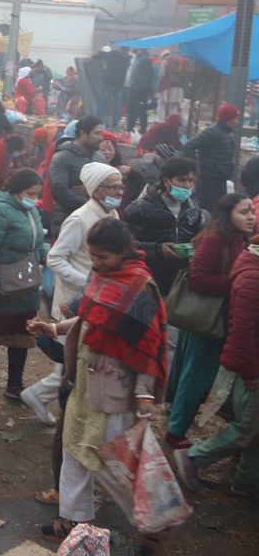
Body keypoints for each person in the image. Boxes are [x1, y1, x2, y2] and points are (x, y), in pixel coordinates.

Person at [45, 219, 177, 555]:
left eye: (102, 257)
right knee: (74, 451)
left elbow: (151, 344)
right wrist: (55, 328)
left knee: (110, 463)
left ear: (122, 252)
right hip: (86, 380)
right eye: (92, 256)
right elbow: (90, 318)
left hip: (117, 387)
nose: (96, 263)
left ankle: (153, 529)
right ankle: (74, 526)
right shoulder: (103, 275)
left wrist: (144, 393)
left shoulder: (141, 285)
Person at [29, 163, 123, 426]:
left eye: (120, 186)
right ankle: (44, 398)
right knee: (72, 358)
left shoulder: (112, 215)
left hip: (99, 297)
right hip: (75, 299)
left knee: (73, 360)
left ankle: (38, 395)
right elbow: (55, 259)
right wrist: (87, 282)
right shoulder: (79, 218)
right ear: (97, 191)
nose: (119, 191)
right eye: (113, 187)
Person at [166, 193, 253, 450]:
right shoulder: (215, 241)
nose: (251, 217)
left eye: (251, 212)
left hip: (225, 319)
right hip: (209, 323)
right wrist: (240, 283)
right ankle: (175, 431)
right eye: (243, 213)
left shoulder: (239, 240)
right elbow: (198, 279)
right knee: (196, 377)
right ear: (228, 215)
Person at [176, 229, 259, 499]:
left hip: (250, 364)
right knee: (247, 428)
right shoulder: (252, 278)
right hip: (250, 368)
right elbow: (244, 332)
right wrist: (251, 371)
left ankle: (247, 481)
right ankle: (194, 457)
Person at [0, 168, 49, 416]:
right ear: (15, 191)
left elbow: (37, 243)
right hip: (5, 283)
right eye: (29, 193)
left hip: (26, 283)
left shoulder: (31, 210)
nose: (33, 199)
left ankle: (15, 384)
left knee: (23, 333)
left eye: (37, 194)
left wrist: (49, 259)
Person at [124, 156, 202, 298]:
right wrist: (157, 249)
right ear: (166, 181)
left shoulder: (193, 209)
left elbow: (198, 238)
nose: (187, 186)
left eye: (190, 180)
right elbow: (127, 245)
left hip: (180, 286)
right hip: (147, 283)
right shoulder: (141, 208)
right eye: (182, 180)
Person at [183, 104, 241, 215]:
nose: (237, 122)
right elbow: (189, 146)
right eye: (235, 118)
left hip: (220, 180)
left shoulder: (228, 133)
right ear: (227, 118)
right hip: (209, 181)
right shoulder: (213, 131)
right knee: (208, 212)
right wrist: (195, 168)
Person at [48, 116, 106, 225]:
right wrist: (92, 204)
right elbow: (59, 190)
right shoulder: (63, 157)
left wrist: (92, 190)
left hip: (95, 219)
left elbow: (108, 185)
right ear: (83, 133)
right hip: (68, 218)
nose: (101, 138)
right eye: (97, 133)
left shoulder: (100, 158)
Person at [124, 48, 154, 134]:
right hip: (134, 87)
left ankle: (142, 129)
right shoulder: (137, 59)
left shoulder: (145, 59)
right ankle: (130, 127)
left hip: (140, 88)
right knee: (132, 109)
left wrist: (147, 87)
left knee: (140, 110)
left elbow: (149, 74)